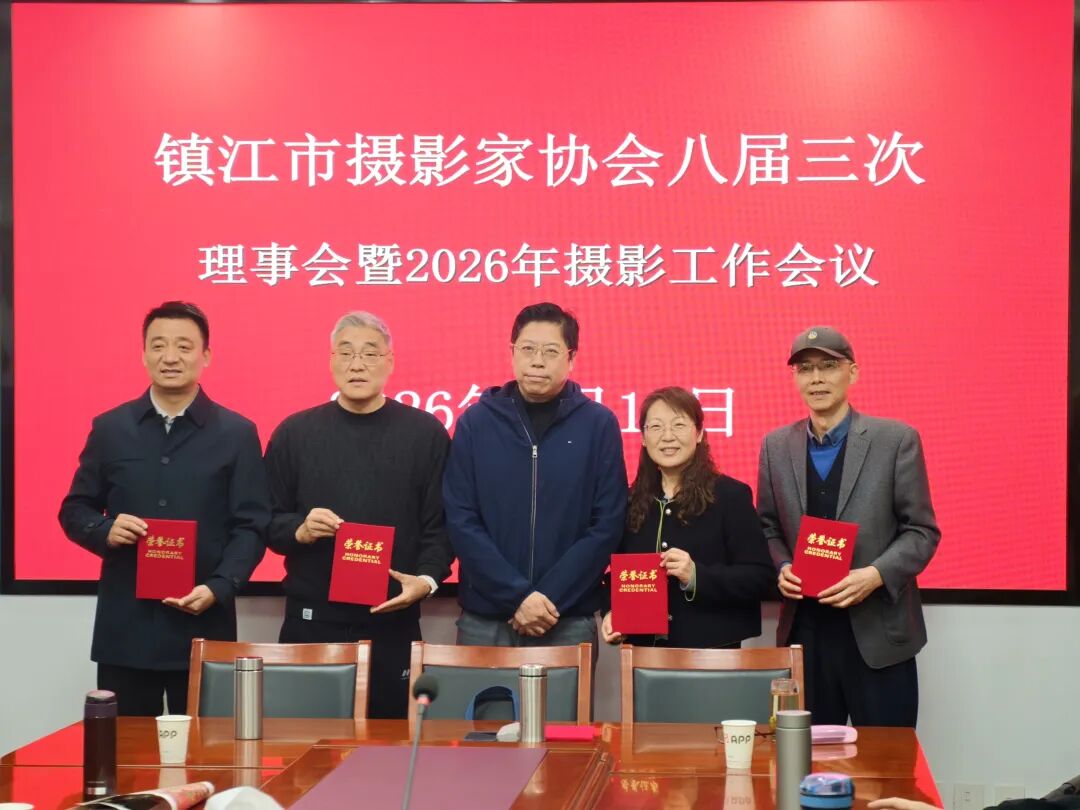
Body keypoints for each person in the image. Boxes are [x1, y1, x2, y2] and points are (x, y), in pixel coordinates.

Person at [59, 301, 270, 716]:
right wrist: (104, 530)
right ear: (143, 354)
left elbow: (252, 525)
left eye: (183, 346)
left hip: (204, 627)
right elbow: (75, 509)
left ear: (206, 356)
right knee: (127, 750)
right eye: (158, 345)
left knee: (207, 749)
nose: (170, 357)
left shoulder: (237, 433)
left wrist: (219, 587)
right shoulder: (110, 428)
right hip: (126, 631)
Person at [263, 311, 453, 718]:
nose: (357, 364)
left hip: (393, 621)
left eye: (369, 353)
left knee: (391, 746)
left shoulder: (426, 434)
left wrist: (426, 580)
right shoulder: (294, 433)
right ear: (331, 360)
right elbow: (265, 520)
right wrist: (299, 529)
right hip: (312, 622)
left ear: (390, 361)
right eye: (346, 353)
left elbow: (441, 528)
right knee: (303, 744)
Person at [757, 326, 940, 727]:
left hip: (878, 634)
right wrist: (782, 565)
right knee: (808, 756)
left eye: (828, 366)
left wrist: (875, 575)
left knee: (886, 758)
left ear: (852, 372)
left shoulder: (896, 440)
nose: (816, 379)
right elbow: (767, 526)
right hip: (806, 633)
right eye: (805, 369)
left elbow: (921, 531)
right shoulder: (775, 446)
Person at [443, 302, 627, 657]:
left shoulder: (598, 425)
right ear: (512, 352)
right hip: (486, 620)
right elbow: (461, 519)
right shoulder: (475, 423)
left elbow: (607, 523)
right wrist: (516, 596)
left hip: (565, 617)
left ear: (571, 358)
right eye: (527, 349)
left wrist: (547, 597)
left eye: (551, 351)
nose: (537, 361)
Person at [601, 386, 774, 647]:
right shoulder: (629, 500)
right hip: (644, 654)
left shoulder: (730, 496)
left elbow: (760, 577)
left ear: (699, 433)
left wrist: (696, 576)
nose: (667, 436)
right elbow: (611, 573)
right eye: (656, 427)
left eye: (679, 425)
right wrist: (611, 612)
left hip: (712, 654)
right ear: (643, 438)